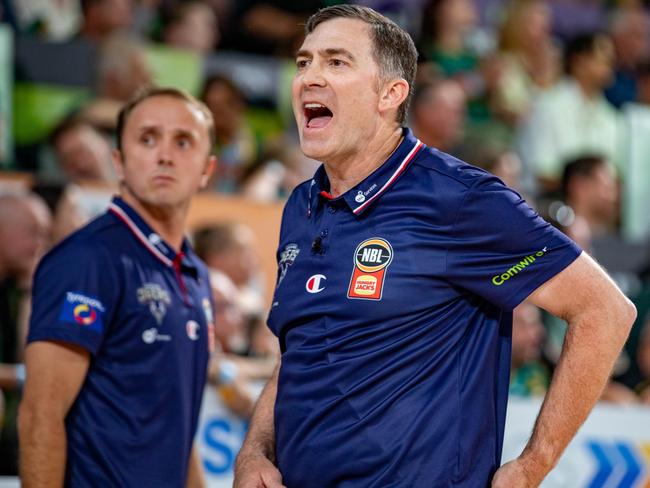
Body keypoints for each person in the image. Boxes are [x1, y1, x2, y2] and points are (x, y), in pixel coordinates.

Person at [234, 5, 636, 488]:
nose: (309, 77)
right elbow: (297, 354)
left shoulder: (460, 199)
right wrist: (255, 451)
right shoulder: (300, 205)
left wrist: (533, 466)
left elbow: (605, 311)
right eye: (304, 62)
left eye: (336, 62)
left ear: (391, 93)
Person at [18, 87, 217, 487]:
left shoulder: (195, 272)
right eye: (147, 139)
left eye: (183, 141)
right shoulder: (86, 260)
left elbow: (178, 427)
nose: (164, 155)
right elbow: (40, 416)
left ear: (207, 170)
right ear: (119, 162)